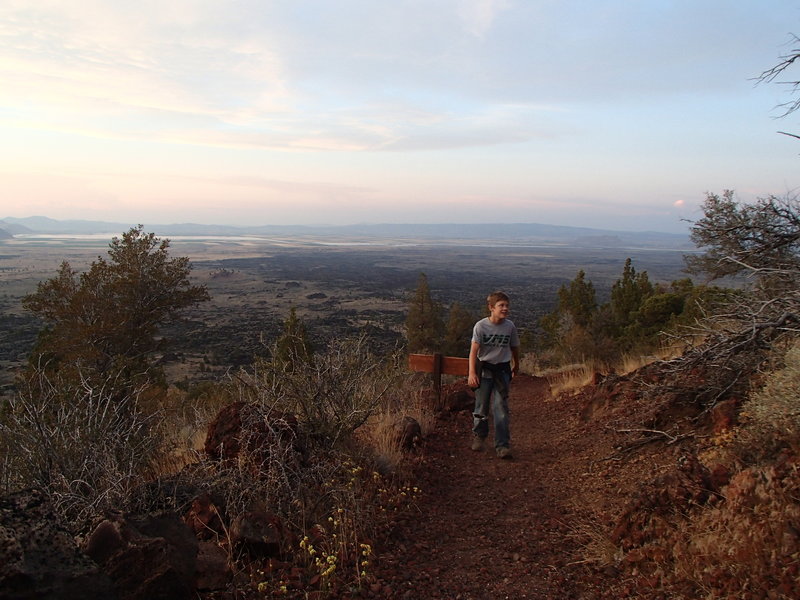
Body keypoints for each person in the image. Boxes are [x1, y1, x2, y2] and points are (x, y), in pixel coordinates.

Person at [467, 291, 520, 459]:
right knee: (481, 406)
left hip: (502, 371)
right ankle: (479, 436)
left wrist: (516, 365)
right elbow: (473, 352)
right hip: (484, 371)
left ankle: (502, 445)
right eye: (501, 305)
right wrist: (472, 373)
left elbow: (514, 347)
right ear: (491, 308)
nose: (505, 309)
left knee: (501, 409)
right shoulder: (481, 326)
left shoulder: (510, 327)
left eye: (506, 305)